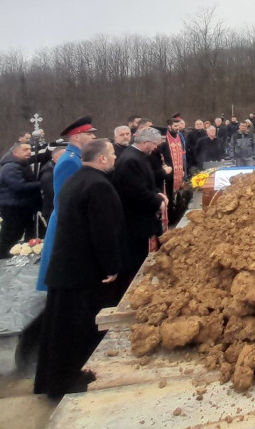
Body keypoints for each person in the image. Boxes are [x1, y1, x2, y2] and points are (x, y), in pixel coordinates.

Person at [34, 139, 123, 398]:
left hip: (66, 268)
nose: (115, 158)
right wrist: (112, 267)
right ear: (102, 159)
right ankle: (68, 381)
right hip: (83, 272)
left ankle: (51, 381)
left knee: (58, 331)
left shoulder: (75, 180)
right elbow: (103, 231)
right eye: (113, 154)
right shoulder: (98, 185)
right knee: (76, 331)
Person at [36, 115, 97, 290]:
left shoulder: (78, 157)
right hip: (67, 221)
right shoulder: (70, 160)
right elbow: (67, 198)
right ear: (77, 136)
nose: (93, 137)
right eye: (89, 133)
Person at [112, 127, 168, 283]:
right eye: (154, 144)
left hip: (140, 216)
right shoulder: (131, 160)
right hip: (134, 219)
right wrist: (158, 200)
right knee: (137, 256)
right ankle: (137, 284)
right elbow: (136, 191)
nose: (156, 147)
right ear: (145, 142)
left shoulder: (138, 156)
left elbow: (146, 183)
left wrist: (157, 193)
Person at [0, 142, 42, 259]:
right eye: (25, 150)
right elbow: (18, 186)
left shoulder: (20, 165)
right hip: (13, 209)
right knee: (10, 237)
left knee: (24, 235)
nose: (29, 152)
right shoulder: (10, 167)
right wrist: (41, 184)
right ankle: (0, 260)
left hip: (21, 207)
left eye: (30, 149)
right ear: (15, 153)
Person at [39, 147, 67, 237]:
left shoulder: (55, 169)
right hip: (52, 211)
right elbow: (54, 193)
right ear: (57, 158)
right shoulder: (48, 173)